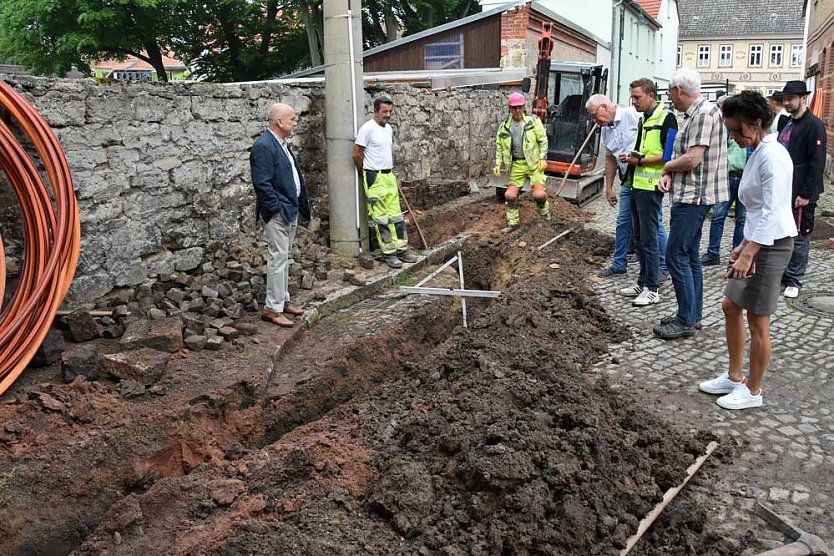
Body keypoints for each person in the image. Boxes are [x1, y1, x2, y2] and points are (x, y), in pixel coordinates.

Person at [698, 91, 796, 410]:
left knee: (758, 320)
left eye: (736, 130)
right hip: (755, 241)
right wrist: (741, 245)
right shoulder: (758, 150)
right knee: (731, 305)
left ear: (755, 124)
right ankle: (734, 375)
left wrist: (749, 251)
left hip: (771, 245)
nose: (733, 137)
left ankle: (753, 391)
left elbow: (771, 210)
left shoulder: (772, 156)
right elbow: (756, 211)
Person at [654, 68, 729, 340]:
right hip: (692, 194)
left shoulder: (702, 115)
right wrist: (670, 175)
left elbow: (692, 159)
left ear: (678, 91)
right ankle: (691, 315)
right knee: (689, 256)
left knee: (675, 254)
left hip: (694, 198)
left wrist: (666, 167)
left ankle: (686, 319)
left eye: (671, 94)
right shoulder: (701, 113)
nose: (671, 100)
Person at [585, 93, 669, 281]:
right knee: (624, 223)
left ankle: (663, 265)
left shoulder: (633, 115)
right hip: (627, 181)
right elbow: (609, 159)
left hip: (646, 180)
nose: (593, 120)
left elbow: (659, 146)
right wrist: (608, 188)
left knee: (654, 224)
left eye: (594, 115)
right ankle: (619, 264)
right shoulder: (606, 130)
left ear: (604, 108)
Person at [616, 79, 678, 307]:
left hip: (651, 187)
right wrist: (634, 156)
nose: (633, 102)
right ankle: (642, 281)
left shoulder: (666, 117)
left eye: (638, 97)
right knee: (640, 238)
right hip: (637, 184)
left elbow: (669, 154)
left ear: (651, 95)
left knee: (650, 238)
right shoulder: (645, 118)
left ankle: (652, 288)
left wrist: (639, 159)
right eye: (632, 97)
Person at [250, 103, 310, 328]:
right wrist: (277, 209)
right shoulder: (264, 146)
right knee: (277, 258)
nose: (295, 123)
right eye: (292, 119)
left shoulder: (280, 144)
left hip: (288, 209)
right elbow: (262, 184)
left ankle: (282, 300)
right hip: (279, 212)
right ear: (279, 122)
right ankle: (272, 309)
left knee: (283, 257)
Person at [353, 95, 419, 269]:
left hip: (389, 176)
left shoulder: (388, 129)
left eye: (390, 111)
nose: (388, 115)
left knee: (396, 216)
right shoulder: (367, 129)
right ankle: (389, 253)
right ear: (376, 111)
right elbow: (357, 154)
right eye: (384, 111)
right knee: (382, 218)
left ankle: (401, 249)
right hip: (374, 177)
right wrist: (365, 174)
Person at [776, 80, 827, 298]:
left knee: (800, 235)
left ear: (803, 98)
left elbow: (817, 163)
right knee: (784, 233)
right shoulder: (787, 123)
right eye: (785, 99)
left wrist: (806, 193)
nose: (787, 103)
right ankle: (785, 273)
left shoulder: (813, 125)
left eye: (791, 99)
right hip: (785, 189)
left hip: (801, 193)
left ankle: (795, 279)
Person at [701, 95, 750, 266]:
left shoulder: (746, 127)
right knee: (718, 215)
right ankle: (713, 252)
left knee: (742, 218)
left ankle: (736, 253)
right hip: (728, 177)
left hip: (744, 177)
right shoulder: (725, 128)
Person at [493, 93, 551, 233]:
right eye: (514, 108)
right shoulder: (505, 127)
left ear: (524, 107)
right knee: (510, 195)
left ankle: (545, 214)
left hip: (533, 163)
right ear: (509, 108)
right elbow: (500, 145)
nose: (517, 111)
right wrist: (498, 162)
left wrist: (543, 158)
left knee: (539, 195)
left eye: (520, 107)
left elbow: (543, 141)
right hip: (516, 164)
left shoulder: (533, 122)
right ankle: (513, 223)